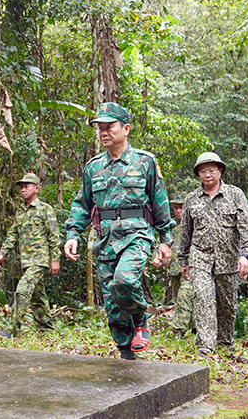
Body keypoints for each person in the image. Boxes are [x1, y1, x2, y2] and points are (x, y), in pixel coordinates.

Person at [64, 102, 174, 361]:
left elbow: (160, 202)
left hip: (137, 234)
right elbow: (82, 204)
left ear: (125, 128)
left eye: (109, 126)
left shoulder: (145, 162)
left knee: (124, 281)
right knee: (113, 305)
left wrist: (165, 240)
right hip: (105, 239)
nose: (103, 132)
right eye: (100, 128)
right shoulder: (93, 167)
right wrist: (72, 235)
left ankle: (141, 317)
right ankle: (126, 355)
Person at [177, 152, 248, 355]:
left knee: (227, 304)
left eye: (211, 170)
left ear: (220, 170)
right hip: (200, 255)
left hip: (228, 258)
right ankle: (206, 346)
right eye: (202, 171)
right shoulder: (191, 199)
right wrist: (183, 259)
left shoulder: (235, 194)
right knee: (202, 297)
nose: (207, 175)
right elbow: (185, 230)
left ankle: (224, 342)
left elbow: (245, 226)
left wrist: (246, 255)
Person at [0, 173, 61, 337]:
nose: (23, 190)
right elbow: (12, 235)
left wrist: (55, 260)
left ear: (36, 189)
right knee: (38, 297)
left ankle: (12, 330)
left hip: (40, 259)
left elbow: (54, 236)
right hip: (26, 260)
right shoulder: (20, 212)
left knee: (22, 291)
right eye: (21, 187)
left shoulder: (45, 209)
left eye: (27, 186)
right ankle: (47, 330)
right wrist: (1, 254)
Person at [169, 197, 195, 338]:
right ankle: (194, 328)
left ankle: (179, 332)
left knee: (184, 297)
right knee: (182, 299)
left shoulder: (195, 225)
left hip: (190, 269)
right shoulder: (171, 228)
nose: (178, 210)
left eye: (181, 207)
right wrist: (158, 258)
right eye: (176, 208)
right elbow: (164, 245)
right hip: (175, 270)